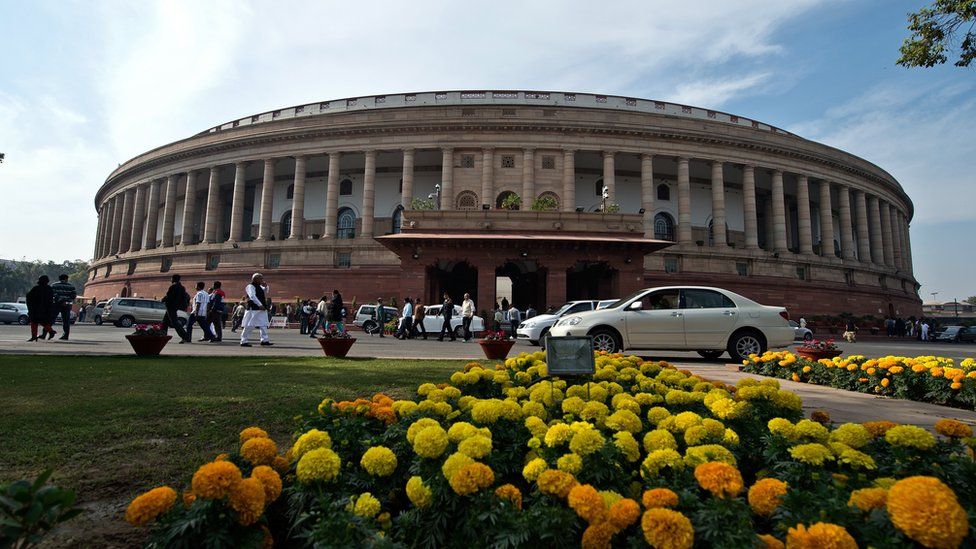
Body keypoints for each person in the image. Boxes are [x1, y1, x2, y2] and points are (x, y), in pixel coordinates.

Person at [241, 273, 273, 347]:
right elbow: (252, 296)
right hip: (254, 309)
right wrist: (260, 305)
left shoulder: (259, 287)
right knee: (249, 325)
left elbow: (265, 292)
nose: (262, 280)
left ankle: (264, 340)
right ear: (255, 279)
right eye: (260, 279)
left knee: (263, 324)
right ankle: (244, 341)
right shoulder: (250, 286)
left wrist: (265, 286)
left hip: (261, 309)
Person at [161, 274, 191, 343]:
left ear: (173, 279)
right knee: (165, 322)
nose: (171, 279)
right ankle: (163, 335)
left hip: (171, 306)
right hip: (176, 307)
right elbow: (184, 297)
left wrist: (163, 300)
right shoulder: (182, 287)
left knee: (175, 323)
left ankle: (186, 337)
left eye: (171, 278)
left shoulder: (173, 286)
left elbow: (169, 296)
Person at [26, 275, 56, 341]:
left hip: (36, 309)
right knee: (44, 322)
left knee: (34, 322)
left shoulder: (36, 288)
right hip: (46, 309)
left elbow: (28, 297)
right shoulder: (49, 289)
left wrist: (30, 308)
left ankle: (34, 336)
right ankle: (51, 331)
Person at [51, 274, 77, 340]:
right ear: (66, 279)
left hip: (56, 304)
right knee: (66, 320)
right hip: (67, 305)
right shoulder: (71, 286)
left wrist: (60, 300)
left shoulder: (54, 285)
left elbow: (52, 294)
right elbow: (73, 296)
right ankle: (66, 335)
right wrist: (66, 301)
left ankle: (45, 332)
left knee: (51, 319)